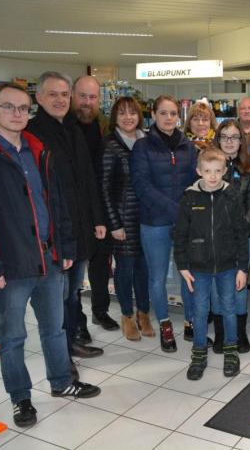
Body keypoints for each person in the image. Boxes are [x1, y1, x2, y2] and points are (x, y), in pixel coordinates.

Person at [0, 84, 101, 428]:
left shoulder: (37, 150)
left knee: (54, 329)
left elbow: (56, 204)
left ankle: (61, 381)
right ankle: (21, 398)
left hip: (49, 259)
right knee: (13, 337)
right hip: (11, 266)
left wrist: (65, 248)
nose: (17, 114)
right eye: (9, 107)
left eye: (22, 108)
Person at [27, 71, 106, 362]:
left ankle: (72, 340)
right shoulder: (32, 132)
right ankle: (62, 354)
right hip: (54, 232)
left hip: (81, 227)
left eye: (64, 95)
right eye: (52, 94)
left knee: (73, 292)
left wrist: (98, 219)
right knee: (57, 296)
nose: (59, 100)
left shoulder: (74, 129)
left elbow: (87, 178)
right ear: (39, 97)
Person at [174, 148, 250, 380]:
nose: (213, 176)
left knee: (229, 309)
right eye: (207, 171)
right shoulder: (189, 198)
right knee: (199, 311)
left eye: (218, 171)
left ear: (225, 171)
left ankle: (230, 350)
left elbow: (241, 233)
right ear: (199, 172)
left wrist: (243, 268)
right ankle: (198, 353)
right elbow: (180, 234)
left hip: (228, 266)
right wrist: (183, 266)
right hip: (198, 268)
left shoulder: (232, 196)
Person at [131, 95, 199, 352]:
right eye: (163, 113)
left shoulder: (188, 146)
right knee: (157, 278)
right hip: (154, 223)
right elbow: (141, 186)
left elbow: (195, 181)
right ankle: (164, 324)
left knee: (187, 275)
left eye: (173, 113)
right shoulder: (142, 147)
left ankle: (191, 322)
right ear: (154, 115)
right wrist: (176, 209)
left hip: (185, 223)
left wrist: (187, 211)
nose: (169, 118)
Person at [99, 96, 153, 341]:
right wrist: (114, 224)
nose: (128, 117)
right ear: (115, 117)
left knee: (143, 269)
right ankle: (127, 316)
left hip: (147, 216)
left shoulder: (147, 140)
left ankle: (144, 313)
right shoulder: (110, 145)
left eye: (132, 112)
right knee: (125, 269)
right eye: (122, 113)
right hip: (123, 217)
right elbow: (104, 188)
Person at [71, 75, 119, 333]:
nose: (87, 102)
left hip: (100, 207)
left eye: (92, 97)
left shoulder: (104, 126)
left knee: (101, 264)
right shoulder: (65, 126)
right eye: (82, 96)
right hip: (74, 211)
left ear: (99, 100)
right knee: (75, 270)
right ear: (72, 96)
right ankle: (77, 323)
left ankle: (100, 311)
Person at [210, 119, 250, 354]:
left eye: (234, 137)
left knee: (239, 286)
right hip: (214, 238)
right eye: (224, 137)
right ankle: (221, 333)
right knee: (218, 286)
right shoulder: (209, 166)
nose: (229, 142)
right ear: (218, 139)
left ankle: (239, 333)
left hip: (242, 238)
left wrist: (239, 229)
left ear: (242, 140)